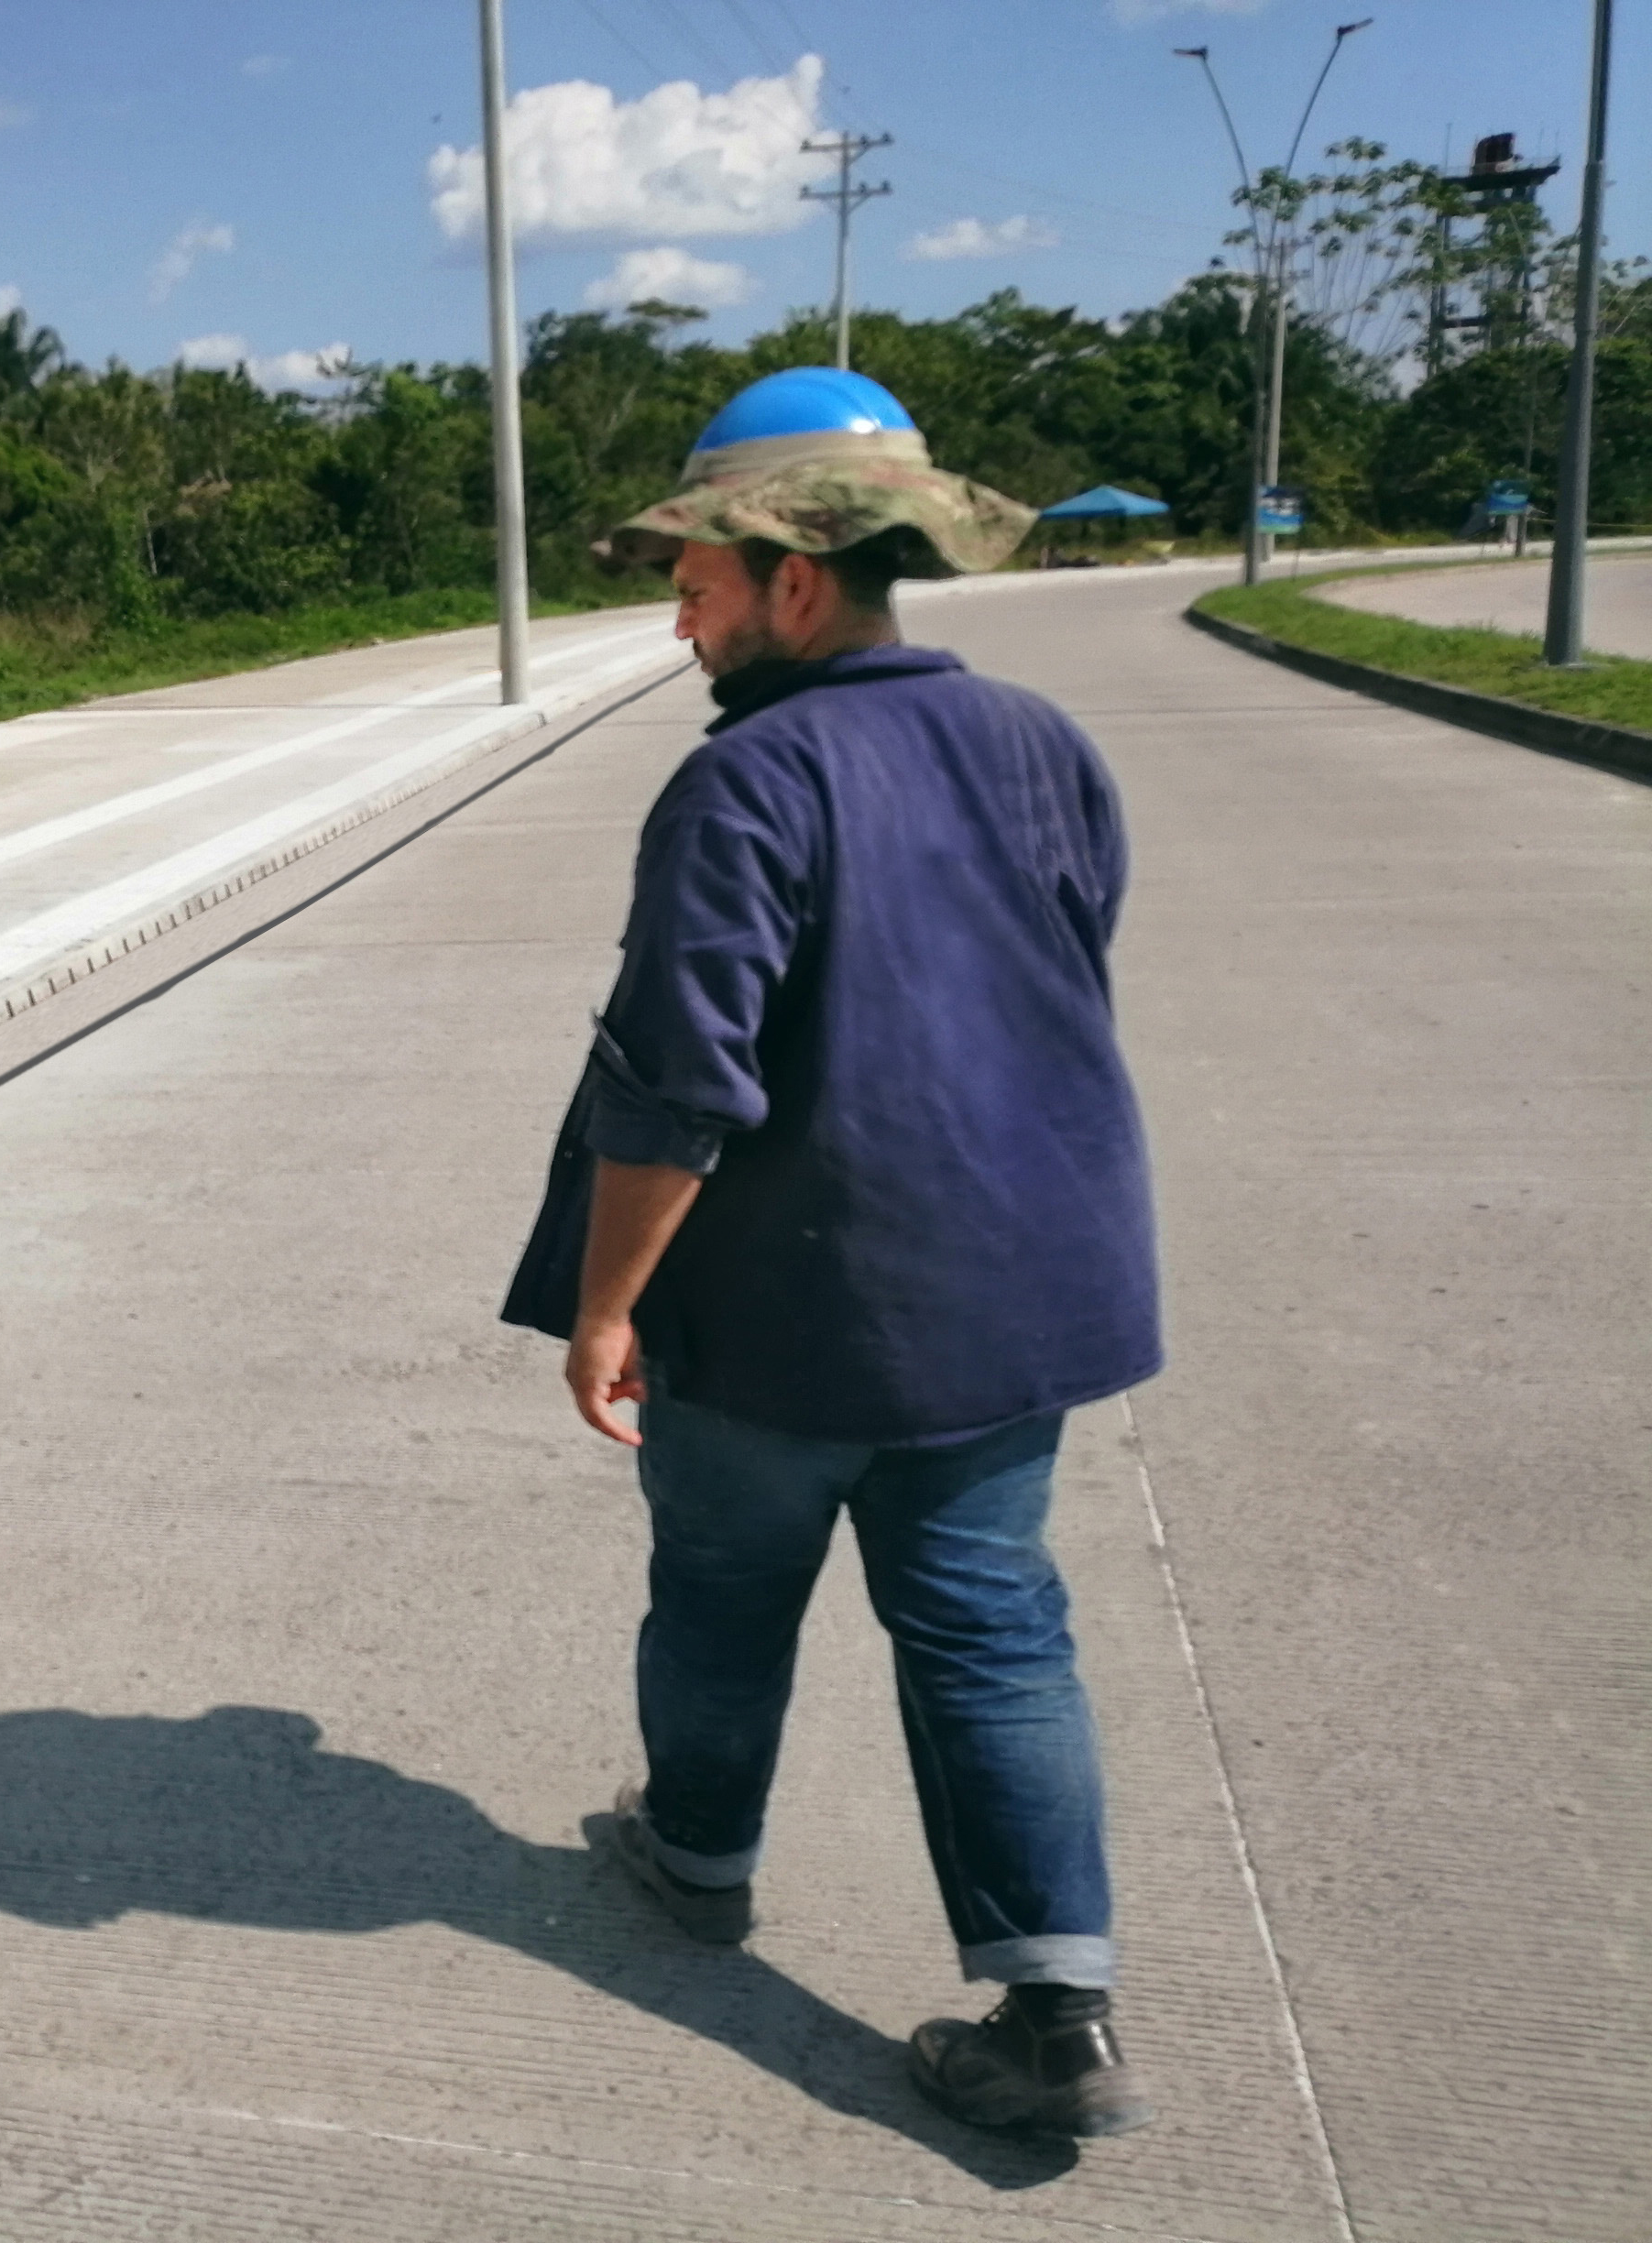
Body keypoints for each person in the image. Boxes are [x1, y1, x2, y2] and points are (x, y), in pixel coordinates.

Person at [502, 367, 1162, 2140]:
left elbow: (673, 1091)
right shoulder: (1040, 739)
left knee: (724, 1588)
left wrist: (606, 1307)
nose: (679, 606)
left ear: (796, 577)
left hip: (790, 1310)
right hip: (1014, 1289)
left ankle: (700, 1856)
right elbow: (1059, 963)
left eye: (698, 572)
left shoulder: (749, 780)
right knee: (993, 1629)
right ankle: (1055, 2015)